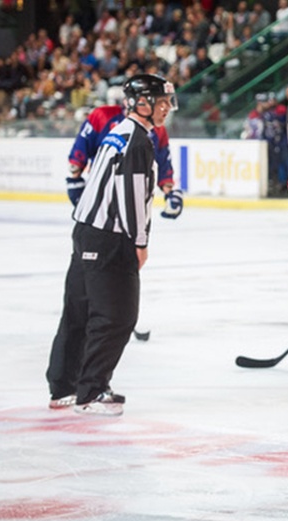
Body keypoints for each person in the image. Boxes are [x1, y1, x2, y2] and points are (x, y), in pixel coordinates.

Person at [46, 73, 178, 416]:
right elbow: (131, 195)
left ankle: (64, 387)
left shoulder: (120, 131)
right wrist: (140, 241)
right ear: (142, 104)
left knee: (79, 311)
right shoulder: (137, 140)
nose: (167, 108)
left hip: (87, 231)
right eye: (161, 102)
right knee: (117, 316)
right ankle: (90, 391)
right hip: (109, 238)